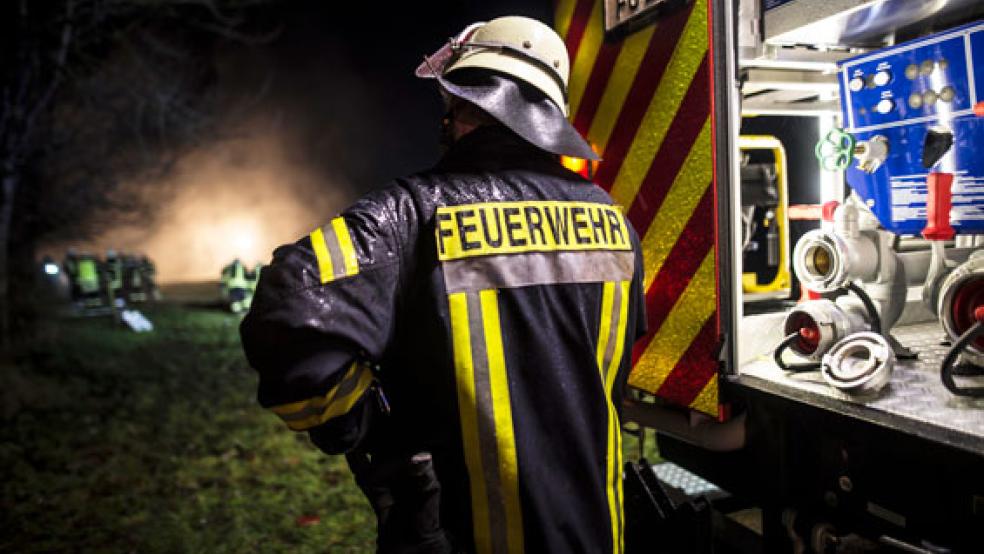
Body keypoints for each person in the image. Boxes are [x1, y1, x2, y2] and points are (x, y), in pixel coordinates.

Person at [241, 16, 645, 554]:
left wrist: (372, 430)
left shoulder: (412, 213)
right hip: (598, 535)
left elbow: (288, 307)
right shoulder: (616, 224)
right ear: (548, 116)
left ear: (463, 107)